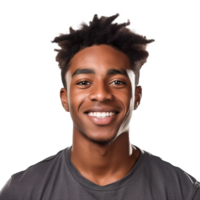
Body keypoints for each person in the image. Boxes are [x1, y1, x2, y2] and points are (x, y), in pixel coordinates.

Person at [0, 10, 199, 200]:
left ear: (138, 96)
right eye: (84, 82)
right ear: (64, 98)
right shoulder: (22, 190)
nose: (101, 94)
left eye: (117, 82)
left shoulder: (183, 191)